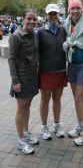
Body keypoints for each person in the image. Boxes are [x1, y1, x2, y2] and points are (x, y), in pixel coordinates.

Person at [63, 0, 83, 146]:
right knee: (76, 98)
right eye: (72, 8)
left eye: (77, 8)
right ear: (69, 10)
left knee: (79, 100)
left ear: (81, 9)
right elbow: (69, 40)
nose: (75, 11)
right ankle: (80, 126)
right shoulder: (67, 23)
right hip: (72, 63)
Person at [8, 9, 39, 154]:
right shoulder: (16, 36)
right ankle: (21, 140)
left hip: (32, 76)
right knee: (21, 108)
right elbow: (11, 59)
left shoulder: (34, 34)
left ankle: (26, 132)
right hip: (22, 77)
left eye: (34, 19)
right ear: (23, 19)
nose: (32, 21)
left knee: (27, 106)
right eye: (29, 19)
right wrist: (15, 81)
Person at [37, 4, 67, 140]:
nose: (53, 16)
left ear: (59, 14)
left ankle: (56, 125)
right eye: (50, 14)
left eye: (55, 13)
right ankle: (44, 126)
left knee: (57, 99)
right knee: (45, 100)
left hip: (60, 70)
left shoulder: (63, 30)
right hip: (45, 71)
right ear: (46, 15)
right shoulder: (40, 32)